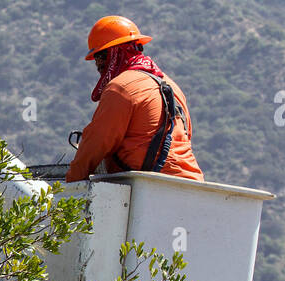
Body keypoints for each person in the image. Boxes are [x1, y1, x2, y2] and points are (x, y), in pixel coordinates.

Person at [65, 15, 204, 183]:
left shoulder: (121, 87)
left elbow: (96, 143)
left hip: (151, 187)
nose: (97, 64)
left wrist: (69, 187)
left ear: (116, 53)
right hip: (193, 184)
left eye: (101, 55)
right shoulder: (171, 86)